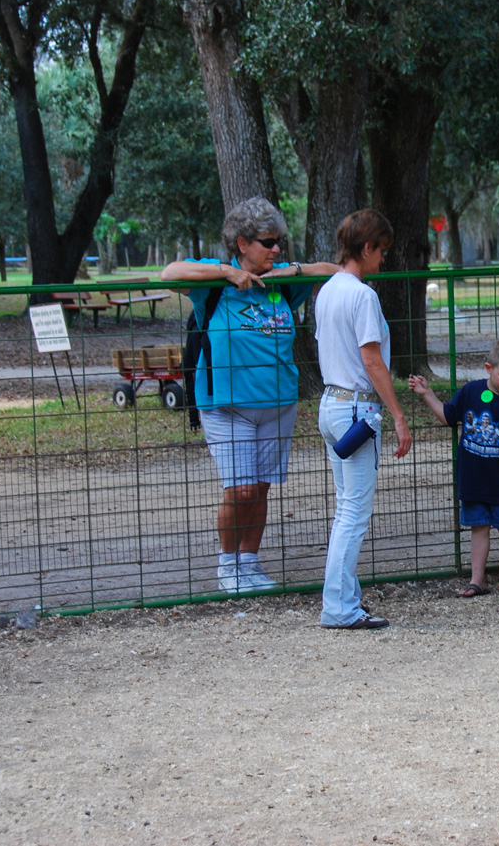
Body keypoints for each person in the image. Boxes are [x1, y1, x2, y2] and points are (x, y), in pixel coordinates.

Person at [161, 197, 338, 593]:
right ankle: (228, 565)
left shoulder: (281, 282)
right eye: (268, 242)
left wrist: (290, 270)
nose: (276, 249)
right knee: (239, 488)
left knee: (260, 488)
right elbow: (169, 273)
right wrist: (226, 273)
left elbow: (333, 272)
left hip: (277, 404)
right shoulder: (214, 281)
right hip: (226, 403)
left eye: (279, 242)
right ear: (242, 244)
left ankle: (250, 564)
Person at [314, 209, 412, 630]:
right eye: (382, 251)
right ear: (367, 247)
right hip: (357, 408)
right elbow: (372, 361)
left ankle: (346, 599)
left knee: (345, 510)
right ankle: (338, 607)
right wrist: (398, 416)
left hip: (331, 404)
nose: (383, 260)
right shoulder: (361, 295)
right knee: (354, 513)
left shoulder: (328, 291)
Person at [408, 337, 499, 597]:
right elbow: (448, 416)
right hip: (473, 478)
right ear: (488, 369)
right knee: (478, 528)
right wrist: (428, 393)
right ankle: (477, 579)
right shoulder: (471, 391)